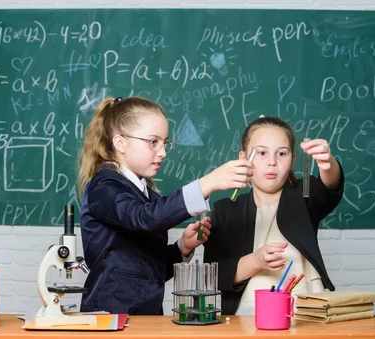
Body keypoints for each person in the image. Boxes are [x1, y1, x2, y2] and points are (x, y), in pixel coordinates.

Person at [77, 96, 253, 315]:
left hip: (143, 318)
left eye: (164, 142)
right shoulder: (104, 187)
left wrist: (183, 247)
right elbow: (144, 218)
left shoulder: (143, 192)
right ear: (120, 143)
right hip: (110, 318)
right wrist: (207, 183)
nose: (162, 152)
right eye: (153, 142)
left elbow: (149, 272)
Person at [203, 116, 344, 315]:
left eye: (282, 154)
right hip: (244, 316)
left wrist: (328, 162)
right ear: (243, 158)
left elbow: (330, 187)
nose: (272, 162)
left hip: (304, 313)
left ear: (293, 159)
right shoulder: (226, 210)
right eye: (261, 153)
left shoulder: (303, 196)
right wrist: (256, 261)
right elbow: (214, 277)